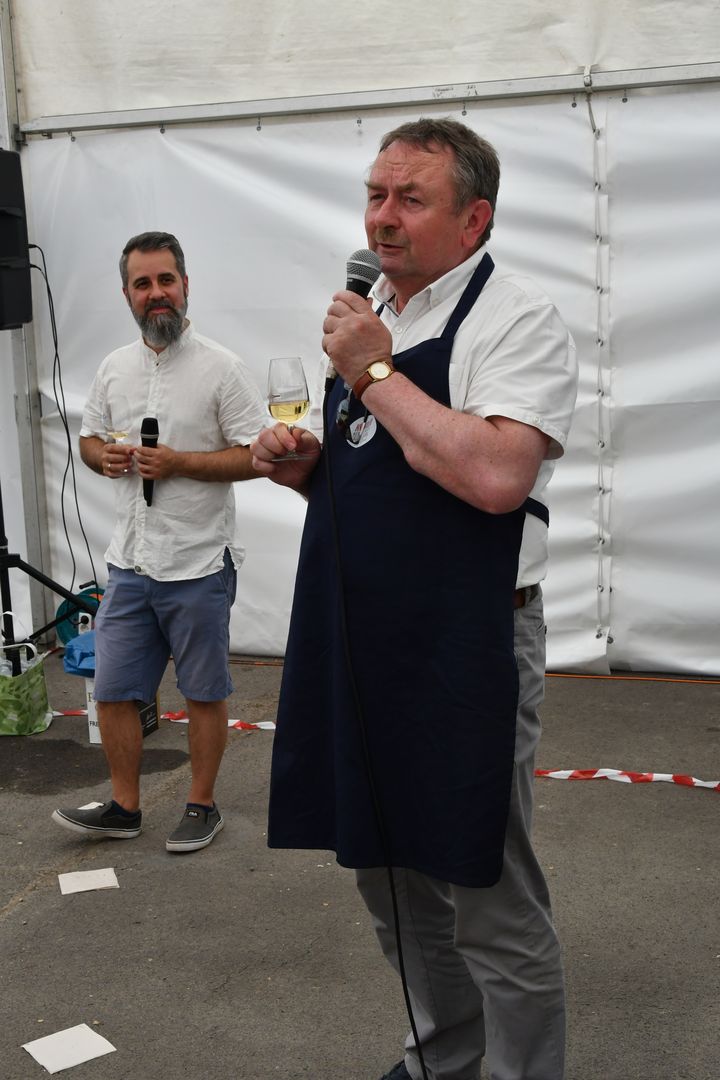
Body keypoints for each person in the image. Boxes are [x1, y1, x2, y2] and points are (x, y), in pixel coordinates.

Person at [252, 118, 578, 1079]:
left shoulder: (516, 318)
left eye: (410, 199)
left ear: (474, 218)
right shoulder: (375, 314)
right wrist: (312, 471)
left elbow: (496, 476)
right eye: (375, 195)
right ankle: (444, 1055)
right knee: (386, 876)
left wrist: (372, 370)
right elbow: (395, 468)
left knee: (485, 887)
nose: (382, 218)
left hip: (466, 640)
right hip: (365, 636)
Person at [52, 231, 267, 853]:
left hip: (197, 562)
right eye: (143, 284)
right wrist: (103, 457)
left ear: (185, 285)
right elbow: (90, 439)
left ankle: (202, 804)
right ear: (126, 294)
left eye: (166, 280)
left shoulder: (222, 368)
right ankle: (125, 807)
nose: (156, 294)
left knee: (203, 692)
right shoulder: (114, 367)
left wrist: (179, 463)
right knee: (114, 690)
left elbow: (258, 456)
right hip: (130, 562)